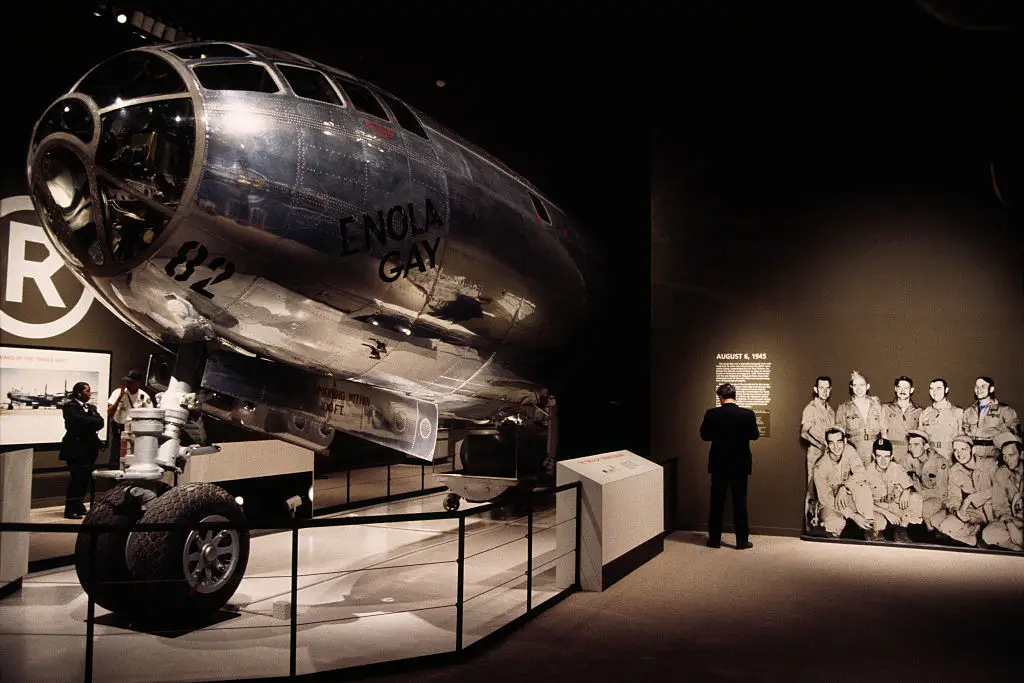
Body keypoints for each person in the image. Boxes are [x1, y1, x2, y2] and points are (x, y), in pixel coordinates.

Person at [700, 383, 760, 549]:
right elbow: (755, 436)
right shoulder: (747, 414)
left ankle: (714, 540)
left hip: (719, 464)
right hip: (740, 465)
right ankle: (741, 541)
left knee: (717, 503)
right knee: (740, 503)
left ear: (720, 397)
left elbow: (704, 436)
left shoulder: (712, 414)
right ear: (735, 395)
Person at [813, 426, 875, 538]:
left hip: (845, 496)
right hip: (829, 504)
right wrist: (852, 514)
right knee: (837, 523)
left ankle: (869, 528)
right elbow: (826, 499)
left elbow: (861, 473)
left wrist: (844, 486)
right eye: (831, 443)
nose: (836, 447)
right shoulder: (820, 467)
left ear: (845, 441)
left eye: (839, 442)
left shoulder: (849, 450)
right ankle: (831, 534)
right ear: (826, 444)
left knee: (863, 488)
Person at [59, 382, 105, 519]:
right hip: (75, 449)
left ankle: (79, 505)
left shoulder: (91, 407)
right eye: (88, 391)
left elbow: (100, 422)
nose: (90, 394)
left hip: (89, 449)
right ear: (79, 393)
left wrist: (89, 420)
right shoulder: (70, 406)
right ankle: (70, 509)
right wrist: (90, 421)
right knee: (77, 479)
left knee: (85, 479)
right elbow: (77, 422)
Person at [800, 376, 836, 529]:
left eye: (827, 388)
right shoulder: (811, 408)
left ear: (830, 390)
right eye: (821, 388)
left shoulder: (830, 411)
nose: (824, 391)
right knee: (812, 489)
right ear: (816, 389)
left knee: (826, 489)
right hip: (816, 454)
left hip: (828, 456)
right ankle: (808, 526)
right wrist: (820, 445)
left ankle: (824, 524)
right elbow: (804, 433)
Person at [106, 369, 153, 468]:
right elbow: (109, 412)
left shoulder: (144, 396)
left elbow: (150, 414)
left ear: (138, 383)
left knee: (133, 454)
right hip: (119, 428)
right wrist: (120, 397)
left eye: (131, 382)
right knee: (116, 455)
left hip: (136, 429)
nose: (128, 383)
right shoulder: (118, 392)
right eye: (127, 381)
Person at [835, 370, 883, 466]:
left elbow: (884, 430)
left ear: (867, 386)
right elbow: (838, 434)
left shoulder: (876, 405)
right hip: (854, 451)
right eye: (855, 385)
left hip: (874, 452)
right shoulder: (844, 407)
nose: (859, 389)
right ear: (851, 387)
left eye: (862, 385)